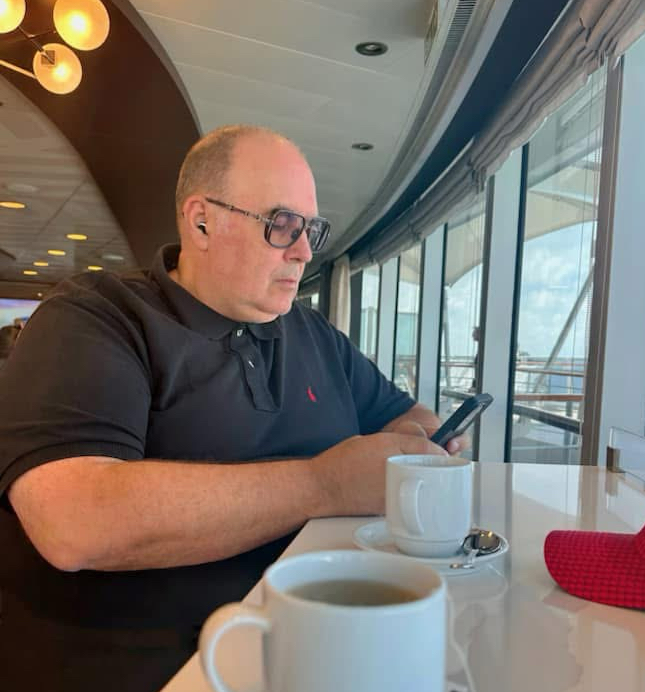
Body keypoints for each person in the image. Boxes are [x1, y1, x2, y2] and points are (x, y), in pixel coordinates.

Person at [0, 125, 464, 574]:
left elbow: (407, 416)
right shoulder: (97, 315)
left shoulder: (315, 333)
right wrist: (325, 485)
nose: (304, 252)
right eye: (283, 225)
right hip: (183, 631)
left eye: (310, 230)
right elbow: (74, 522)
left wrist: (417, 444)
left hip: (338, 608)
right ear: (202, 222)